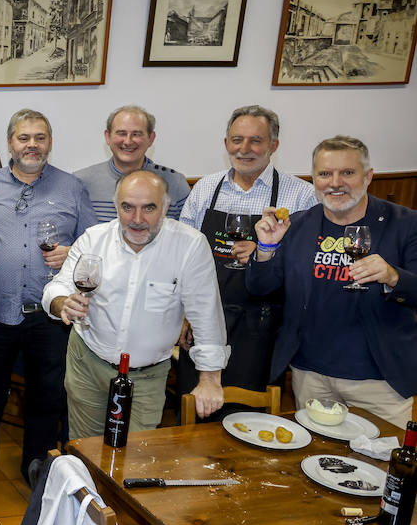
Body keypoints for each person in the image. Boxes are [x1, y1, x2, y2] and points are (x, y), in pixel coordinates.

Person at [0, 109, 96, 496]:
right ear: (10, 143)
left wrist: (73, 254)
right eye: (24, 137)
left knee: (47, 396)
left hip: (50, 314)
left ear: (50, 142)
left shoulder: (72, 188)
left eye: (40, 137)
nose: (32, 145)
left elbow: (96, 248)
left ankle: (39, 466)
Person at [248, 136, 417, 427]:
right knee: (317, 463)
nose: (335, 182)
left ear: (368, 176)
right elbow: (261, 288)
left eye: (347, 173)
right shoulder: (298, 225)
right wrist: (265, 249)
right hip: (310, 375)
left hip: (379, 381)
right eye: (325, 174)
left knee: (380, 465)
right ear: (314, 179)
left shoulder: (405, 224)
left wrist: (393, 276)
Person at [44, 171, 228, 438]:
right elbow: (57, 288)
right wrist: (63, 304)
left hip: (148, 374)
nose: (137, 219)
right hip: (87, 362)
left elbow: (206, 314)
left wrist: (210, 379)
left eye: (149, 208)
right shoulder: (94, 239)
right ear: (116, 205)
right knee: (85, 449)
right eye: (127, 207)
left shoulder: (189, 246)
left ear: (165, 207)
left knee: (137, 456)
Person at [177, 106, 317, 398]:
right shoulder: (205, 188)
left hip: (263, 325)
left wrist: (268, 252)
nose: (245, 149)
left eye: (256, 140)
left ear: (273, 145)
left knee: (250, 413)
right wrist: (184, 316)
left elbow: (308, 263)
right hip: (205, 319)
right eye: (237, 139)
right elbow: (181, 256)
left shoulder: (302, 195)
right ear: (226, 143)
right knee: (195, 407)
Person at [74, 105, 190, 223]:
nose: (128, 141)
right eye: (121, 133)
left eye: (136, 134)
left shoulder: (175, 183)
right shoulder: (80, 182)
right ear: (107, 137)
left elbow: (187, 235)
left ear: (151, 138)